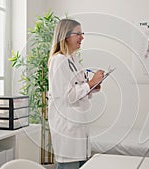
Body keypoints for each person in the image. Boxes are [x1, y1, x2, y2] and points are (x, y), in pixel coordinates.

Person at [47, 19, 104, 169]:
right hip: (67, 128)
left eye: (82, 33)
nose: (82, 37)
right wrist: (90, 84)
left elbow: (77, 90)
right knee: (69, 164)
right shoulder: (58, 60)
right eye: (78, 34)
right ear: (65, 36)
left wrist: (92, 88)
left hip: (78, 125)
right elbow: (67, 96)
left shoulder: (73, 60)